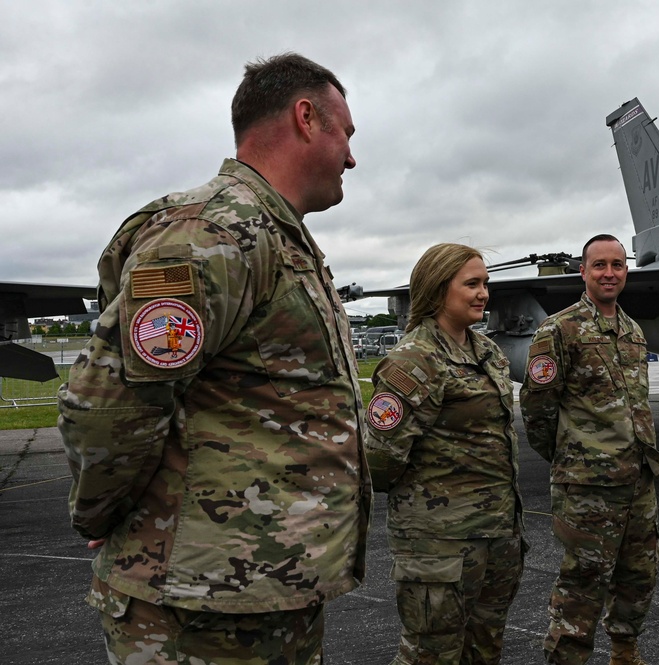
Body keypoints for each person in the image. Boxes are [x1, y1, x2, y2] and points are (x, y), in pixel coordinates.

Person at [58, 53, 370, 664]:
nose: (352, 157)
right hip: (196, 607)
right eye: (346, 134)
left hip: (262, 592)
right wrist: (102, 511)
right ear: (306, 118)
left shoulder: (277, 237)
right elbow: (109, 406)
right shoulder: (213, 234)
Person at [366, 243, 526, 665]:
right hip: (439, 544)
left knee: (484, 648)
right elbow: (380, 462)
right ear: (438, 290)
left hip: (495, 536)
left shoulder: (486, 352)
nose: (483, 293)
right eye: (471, 284)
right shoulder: (415, 360)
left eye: (485, 284)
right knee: (431, 654)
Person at [520, 234, 659, 665]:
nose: (609, 273)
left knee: (640, 575)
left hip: (638, 479)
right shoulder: (558, 330)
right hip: (587, 486)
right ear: (582, 271)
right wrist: (574, 459)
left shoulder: (633, 331)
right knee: (583, 583)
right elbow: (538, 411)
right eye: (599, 265)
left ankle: (624, 651)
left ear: (626, 271)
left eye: (617, 265)